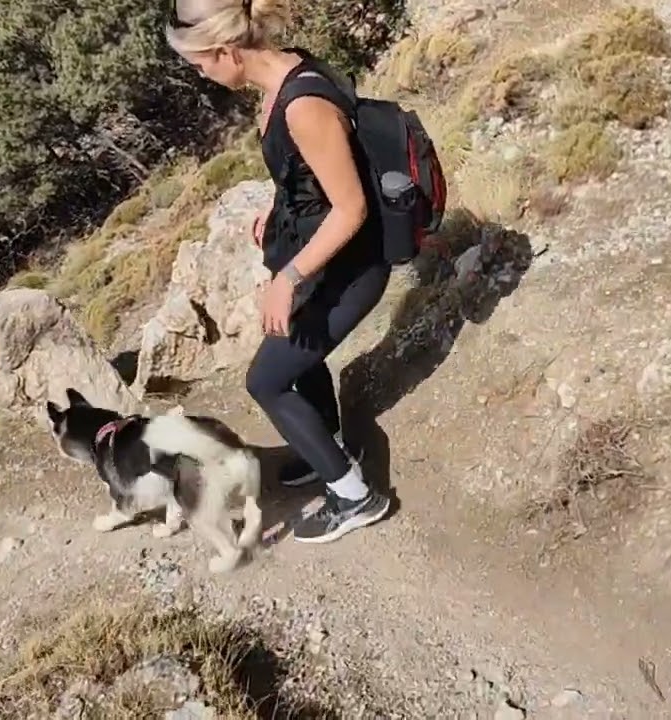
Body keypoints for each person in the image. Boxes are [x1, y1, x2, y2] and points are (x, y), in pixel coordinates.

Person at [166, 0, 391, 544]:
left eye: (200, 65)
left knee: (265, 379)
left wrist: (287, 280)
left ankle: (354, 495)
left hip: (352, 268)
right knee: (289, 343)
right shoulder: (281, 79)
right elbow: (307, 167)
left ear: (225, 51)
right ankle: (327, 447)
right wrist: (280, 203)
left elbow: (352, 208)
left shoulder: (301, 103)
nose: (202, 76)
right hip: (322, 259)